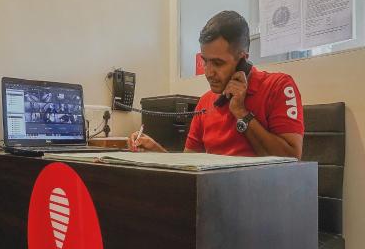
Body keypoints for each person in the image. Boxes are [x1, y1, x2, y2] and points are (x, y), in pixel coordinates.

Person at [128, 10, 304, 159]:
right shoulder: (206, 102)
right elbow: (189, 167)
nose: (208, 72)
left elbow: (292, 159)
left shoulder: (279, 86)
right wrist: (155, 151)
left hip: (259, 194)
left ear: (242, 60)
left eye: (218, 63)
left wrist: (241, 113)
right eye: (205, 61)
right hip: (215, 193)